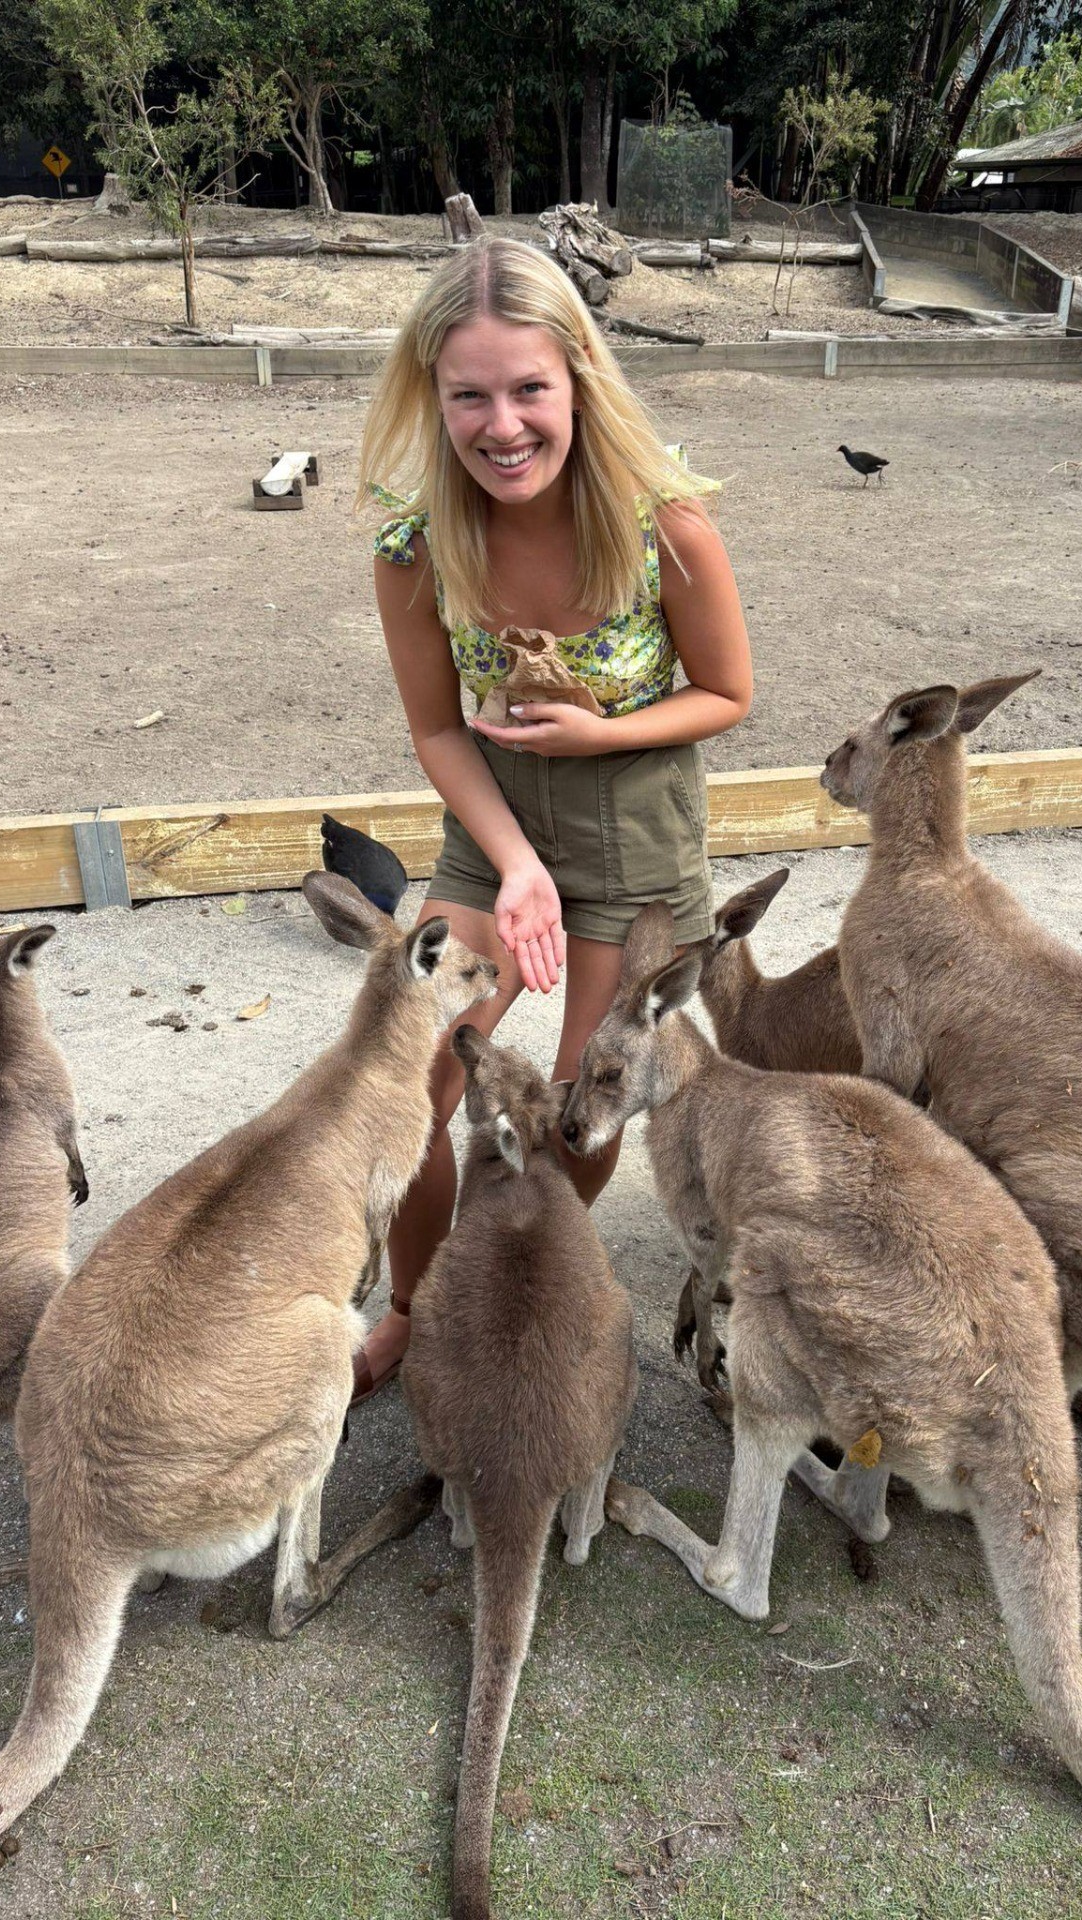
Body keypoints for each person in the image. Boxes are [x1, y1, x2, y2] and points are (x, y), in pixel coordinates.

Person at [352, 236, 752, 1398]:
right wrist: (515, 863)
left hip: (636, 823)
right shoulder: (415, 540)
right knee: (410, 1076)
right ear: (434, 398)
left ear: (577, 374)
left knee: (584, 1105)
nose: (502, 425)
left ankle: (517, 1284)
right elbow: (437, 730)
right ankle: (422, 1310)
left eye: (529, 387)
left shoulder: (662, 522)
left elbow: (726, 692)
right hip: (494, 814)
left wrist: (600, 734)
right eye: (469, 395)